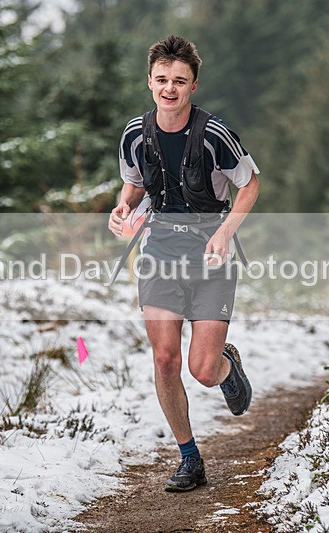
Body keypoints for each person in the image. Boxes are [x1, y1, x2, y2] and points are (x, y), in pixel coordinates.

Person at [108, 35, 260, 492]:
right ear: (149, 82)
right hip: (159, 255)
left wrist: (224, 232)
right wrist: (124, 210)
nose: (169, 88)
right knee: (165, 358)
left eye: (179, 81)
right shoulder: (135, 134)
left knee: (201, 369)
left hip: (210, 257)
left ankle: (226, 369)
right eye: (161, 80)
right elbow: (134, 186)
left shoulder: (215, 134)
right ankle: (189, 457)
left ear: (194, 85)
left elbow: (249, 185)